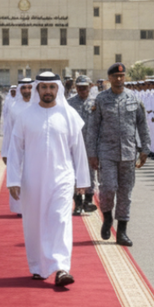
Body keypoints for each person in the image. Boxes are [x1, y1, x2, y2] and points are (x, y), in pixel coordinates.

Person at [7, 72, 91, 286]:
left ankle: (62, 267)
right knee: (34, 223)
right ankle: (38, 266)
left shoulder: (68, 114)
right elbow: (15, 150)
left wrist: (82, 180)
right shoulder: (26, 116)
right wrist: (13, 180)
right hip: (32, 179)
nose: (47, 91)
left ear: (57, 89)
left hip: (62, 178)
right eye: (43, 87)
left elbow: (78, 150)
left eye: (51, 87)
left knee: (59, 220)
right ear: (37, 90)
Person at [86, 63, 151, 246]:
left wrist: (145, 149)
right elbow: (93, 129)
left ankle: (122, 231)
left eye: (122, 76)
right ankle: (107, 217)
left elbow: (142, 125)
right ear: (110, 78)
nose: (119, 79)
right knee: (108, 189)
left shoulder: (134, 99)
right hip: (106, 152)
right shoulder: (101, 100)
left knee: (125, 193)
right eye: (115, 76)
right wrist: (92, 153)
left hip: (129, 153)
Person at [1, 78, 34, 215]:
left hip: (36, 149)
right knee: (19, 178)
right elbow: (8, 130)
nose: (26, 91)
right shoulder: (14, 108)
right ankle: (20, 209)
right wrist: (5, 152)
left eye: (29, 88)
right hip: (18, 150)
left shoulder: (39, 105)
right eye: (24, 88)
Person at [67, 76, 98, 215]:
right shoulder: (69, 103)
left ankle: (88, 201)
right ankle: (78, 202)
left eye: (84, 87)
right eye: (79, 87)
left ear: (90, 86)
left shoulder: (96, 102)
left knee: (91, 173)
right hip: (74, 144)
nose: (82, 90)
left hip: (91, 144)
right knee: (74, 174)